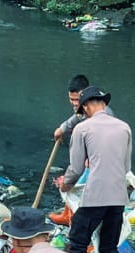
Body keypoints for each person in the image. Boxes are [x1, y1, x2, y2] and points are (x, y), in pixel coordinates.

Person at [61, 86, 131, 253]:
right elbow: (126, 167)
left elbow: (75, 168)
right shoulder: (124, 127)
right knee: (109, 248)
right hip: (118, 197)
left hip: (95, 197)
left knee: (77, 242)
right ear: (104, 103)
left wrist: (66, 184)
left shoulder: (83, 129)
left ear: (85, 107)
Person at [49, 74, 89, 227]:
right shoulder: (83, 107)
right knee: (70, 177)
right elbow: (77, 117)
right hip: (83, 155)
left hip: (94, 160)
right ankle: (67, 215)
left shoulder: (97, 112)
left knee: (74, 184)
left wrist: (67, 181)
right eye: (71, 99)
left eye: (76, 99)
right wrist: (62, 129)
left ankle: (77, 222)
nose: (74, 103)